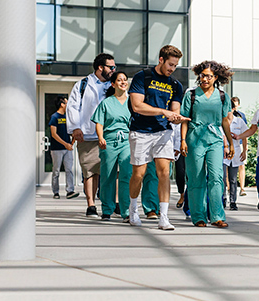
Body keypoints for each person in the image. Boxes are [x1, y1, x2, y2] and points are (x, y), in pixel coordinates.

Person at [128, 45, 186, 230]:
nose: (172, 69)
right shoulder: (142, 77)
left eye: (175, 66)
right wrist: (163, 111)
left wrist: (177, 119)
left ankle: (164, 217)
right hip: (141, 131)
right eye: (170, 64)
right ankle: (133, 210)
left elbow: (174, 113)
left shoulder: (176, 85)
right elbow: (137, 106)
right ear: (161, 59)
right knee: (139, 174)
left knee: (164, 173)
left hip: (163, 132)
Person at [180, 60, 235, 228]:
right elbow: (185, 120)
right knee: (196, 178)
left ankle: (217, 216)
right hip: (194, 139)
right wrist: (182, 140)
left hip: (215, 140)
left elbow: (225, 121)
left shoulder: (222, 96)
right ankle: (198, 216)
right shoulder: (191, 94)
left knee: (217, 177)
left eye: (208, 76)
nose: (204, 79)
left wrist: (230, 143)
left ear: (215, 77)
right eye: (202, 75)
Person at [67, 53, 116, 217]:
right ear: (100, 67)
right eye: (111, 67)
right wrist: (75, 127)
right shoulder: (82, 84)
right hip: (88, 133)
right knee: (90, 171)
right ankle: (91, 205)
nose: (113, 70)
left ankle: (114, 202)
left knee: (112, 171)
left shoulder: (114, 84)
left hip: (110, 134)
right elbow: (73, 106)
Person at [91, 71, 131, 221]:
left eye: (125, 80)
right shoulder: (106, 103)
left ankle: (126, 210)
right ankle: (107, 209)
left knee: (127, 174)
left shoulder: (132, 103)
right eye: (119, 80)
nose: (123, 82)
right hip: (109, 141)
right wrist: (100, 137)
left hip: (127, 141)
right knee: (108, 175)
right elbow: (99, 123)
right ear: (113, 84)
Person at [49, 96, 79, 200]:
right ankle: (56, 192)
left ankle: (70, 190)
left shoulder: (68, 117)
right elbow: (54, 134)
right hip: (57, 149)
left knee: (69, 170)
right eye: (67, 102)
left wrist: (71, 143)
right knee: (56, 171)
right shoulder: (55, 117)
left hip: (67, 148)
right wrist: (65, 144)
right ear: (62, 104)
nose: (68, 104)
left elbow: (72, 132)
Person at [223, 110, 247, 210]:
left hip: (236, 151)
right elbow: (222, 135)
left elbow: (245, 136)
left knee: (233, 179)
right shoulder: (221, 120)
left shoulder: (239, 121)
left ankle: (233, 201)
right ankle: (223, 198)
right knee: (223, 177)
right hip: (223, 151)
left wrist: (244, 151)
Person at [231, 97, 248, 197]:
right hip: (229, 144)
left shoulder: (241, 116)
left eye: (236, 105)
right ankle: (230, 189)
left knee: (241, 165)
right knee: (229, 167)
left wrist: (246, 147)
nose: (235, 107)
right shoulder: (225, 117)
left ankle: (242, 188)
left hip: (240, 143)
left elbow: (245, 132)